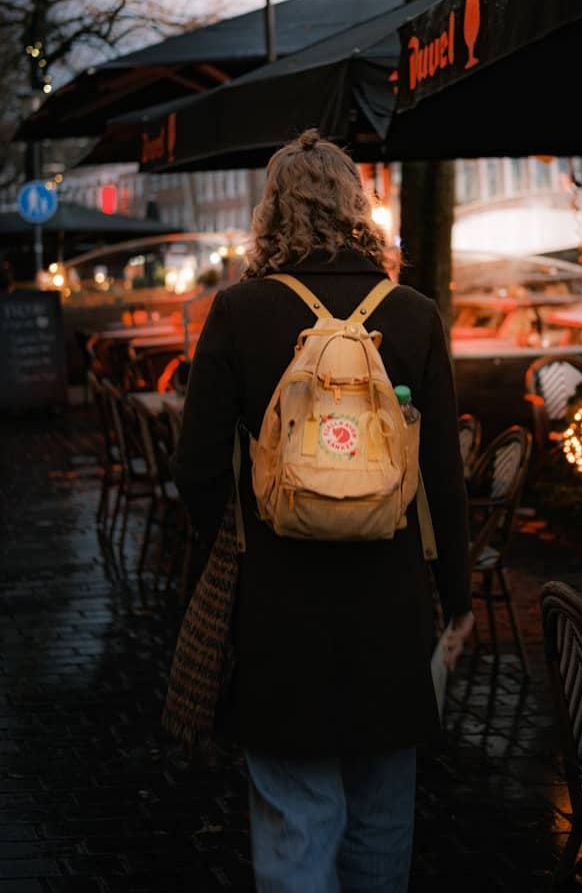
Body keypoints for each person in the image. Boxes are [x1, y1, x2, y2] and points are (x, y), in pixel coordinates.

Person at [172, 129, 474, 893]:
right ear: (356, 209)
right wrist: (460, 602)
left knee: (295, 818)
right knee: (380, 817)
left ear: (273, 214)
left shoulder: (238, 313)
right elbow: (444, 475)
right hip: (392, 610)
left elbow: (196, 472)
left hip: (279, 612)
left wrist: (234, 551)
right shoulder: (413, 314)